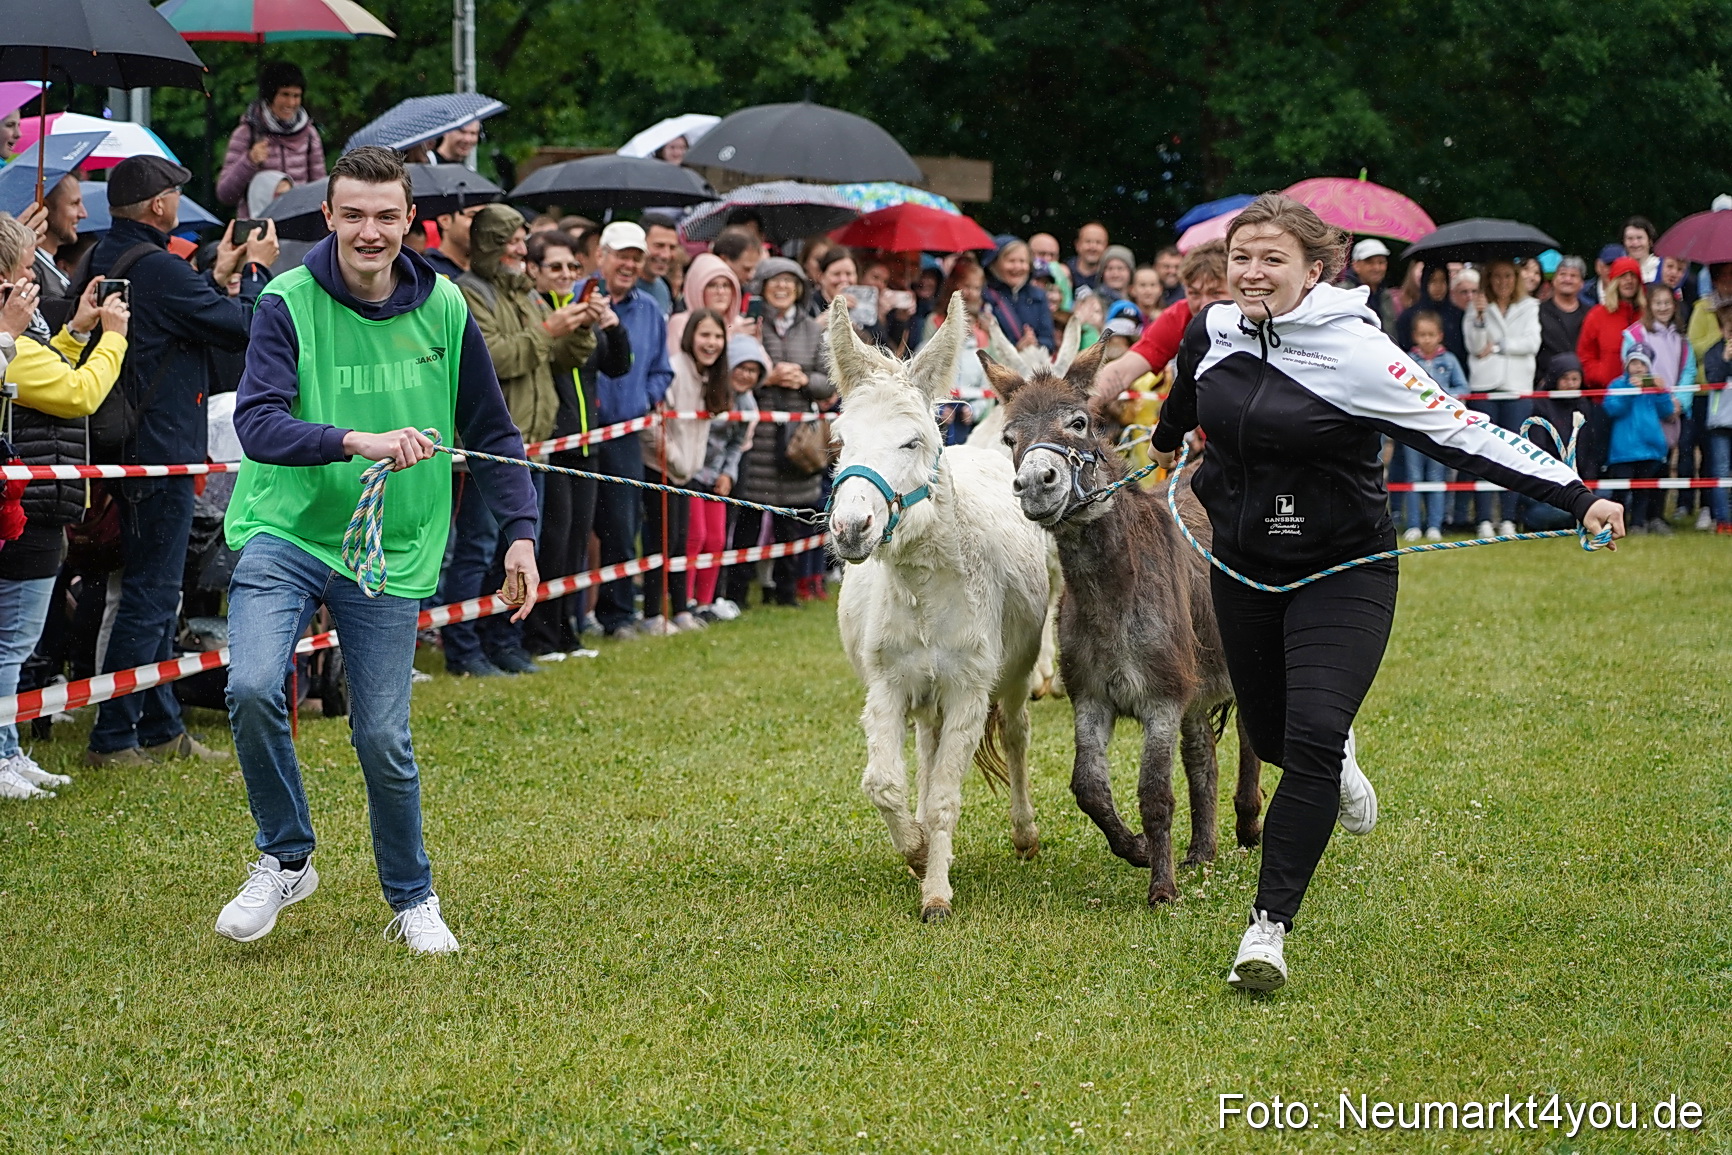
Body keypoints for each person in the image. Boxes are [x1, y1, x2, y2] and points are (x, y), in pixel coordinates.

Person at [1147, 193, 1622, 992]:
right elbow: (1188, 395)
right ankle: (1332, 758)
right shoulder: (1212, 328)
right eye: (1240, 258)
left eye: (1271, 259)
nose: (1251, 273)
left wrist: (1578, 496)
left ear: (1314, 270)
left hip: (1344, 567)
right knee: (1272, 732)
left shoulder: (1358, 352)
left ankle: (1267, 929)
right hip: (1245, 568)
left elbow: (1462, 429)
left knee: (1309, 738)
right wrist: (1165, 439)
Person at [219, 145, 538, 953]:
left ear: (410, 220)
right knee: (252, 685)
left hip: (392, 544)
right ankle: (286, 856)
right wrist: (354, 439)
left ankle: (413, 896)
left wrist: (520, 533)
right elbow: (257, 422)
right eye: (354, 214)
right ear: (329, 216)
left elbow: (493, 431)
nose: (370, 231)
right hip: (287, 527)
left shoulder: (447, 309)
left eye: (386, 216)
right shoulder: (287, 301)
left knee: (381, 737)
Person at [83, 157, 278, 768]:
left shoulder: (106, 256)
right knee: (152, 594)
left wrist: (213, 273)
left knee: (152, 594)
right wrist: (254, 270)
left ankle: (161, 727)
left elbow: (181, 318)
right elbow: (244, 326)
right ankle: (114, 736)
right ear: (159, 205)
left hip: (130, 447)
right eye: (173, 194)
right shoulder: (160, 268)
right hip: (161, 453)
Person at [0, 216, 130, 800]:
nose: (35, 279)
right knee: (11, 643)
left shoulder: (18, 337)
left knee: (14, 642)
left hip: (38, 504)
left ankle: (8, 749)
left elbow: (48, 365)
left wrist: (77, 330)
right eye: (27, 268)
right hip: (29, 505)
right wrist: (115, 338)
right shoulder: (8, 337)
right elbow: (78, 392)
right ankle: (2, 755)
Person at [445, 204, 596, 675]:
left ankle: (504, 640)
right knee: (478, 549)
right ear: (490, 244)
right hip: (488, 449)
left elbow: (559, 359)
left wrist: (580, 327)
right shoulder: (468, 294)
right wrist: (548, 330)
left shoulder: (526, 294)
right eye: (512, 241)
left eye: (521, 241)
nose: (521, 250)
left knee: (515, 551)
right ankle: (463, 648)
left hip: (531, 445)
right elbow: (492, 359)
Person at [521, 230, 631, 657]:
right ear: (534, 270)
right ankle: (540, 636)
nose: (566, 274)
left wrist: (610, 325)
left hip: (589, 444)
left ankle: (568, 631)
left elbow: (617, 366)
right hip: (552, 445)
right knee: (552, 542)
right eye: (555, 267)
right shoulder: (535, 312)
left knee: (576, 542)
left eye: (572, 266)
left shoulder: (583, 310)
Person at [727, 257, 834, 609]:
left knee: (792, 520)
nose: (783, 287)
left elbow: (829, 381)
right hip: (757, 435)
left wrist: (804, 380)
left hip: (798, 437)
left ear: (800, 288)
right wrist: (767, 377)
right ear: (762, 286)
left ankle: (786, 593)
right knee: (749, 517)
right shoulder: (749, 326)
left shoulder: (813, 330)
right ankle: (737, 593)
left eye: (790, 281)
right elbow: (732, 373)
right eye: (775, 280)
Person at [591, 221, 672, 639]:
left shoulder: (650, 310)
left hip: (625, 433)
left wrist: (642, 399)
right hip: (579, 430)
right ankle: (568, 617)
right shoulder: (579, 299)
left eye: (636, 258)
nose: (629, 265)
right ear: (600, 256)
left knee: (621, 528)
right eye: (622, 255)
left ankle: (618, 616)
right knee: (572, 530)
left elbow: (662, 370)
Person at [642, 308, 726, 634]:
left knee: (680, 541)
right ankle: (652, 614)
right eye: (705, 335)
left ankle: (680, 610)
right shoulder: (675, 370)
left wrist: (689, 464)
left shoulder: (711, 376)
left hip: (686, 473)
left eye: (718, 336)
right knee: (660, 542)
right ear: (690, 336)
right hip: (660, 469)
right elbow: (650, 424)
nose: (711, 342)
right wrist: (675, 459)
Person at [1463, 257, 1543, 533]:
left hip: (1517, 387)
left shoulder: (1530, 306)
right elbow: (1475, 347)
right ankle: (1484, 518)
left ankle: (1508, 517)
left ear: (1516, 278)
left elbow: (1532, 343)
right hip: (1484, 386)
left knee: (1514, 452)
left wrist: (1498, 346)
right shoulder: (1476, 305)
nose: (1502, 282)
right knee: (1484, 452)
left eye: (1508, 276)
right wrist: (1480, 318)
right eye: (1496, 276)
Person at [1092, 240, 1229, 400]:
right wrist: (1078, 405)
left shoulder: (1253, 318)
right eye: (1194, 293)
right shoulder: (1179, 316)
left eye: (1215, 293)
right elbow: (1123, 371)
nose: (1204, 305)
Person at [688, 335, 762, 622]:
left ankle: (706, 603)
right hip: (692, 470)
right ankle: (686, 600)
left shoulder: (748, 405)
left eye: (753, 371)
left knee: (716, 538)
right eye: (741, 367)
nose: (746, 375)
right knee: (695, 536)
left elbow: (736, 444)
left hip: (717, 475)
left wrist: (728, 473)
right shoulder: (708, 391)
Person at [1395, 311, 1470, 541]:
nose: (1427, 339)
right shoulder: (1408, 360)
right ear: (1414, 336)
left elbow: (1463, 389)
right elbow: (1398, 388)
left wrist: (1444, 397)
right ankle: (1414, 525)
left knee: (1437, 476)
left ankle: (1435, 525)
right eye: (1422, 335)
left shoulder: (1449, 360)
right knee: (1414, 476)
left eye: (1431, 334)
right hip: (1413, 427)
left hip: (1441, 428)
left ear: (1440, 336)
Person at [216, 62, 326, 207]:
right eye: (285, 94)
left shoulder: (309, 135)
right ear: (270, 95)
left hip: (297, 219)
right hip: (258, 220)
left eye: (296, 96)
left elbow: (319, 193)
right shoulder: (246, 133)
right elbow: (225, 194)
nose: (291, 103)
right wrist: (249, 161)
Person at [1601, 344, 1677, 535]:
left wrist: (1661, 391)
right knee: (1620, 490)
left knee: (1643, 490)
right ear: (1626, 365)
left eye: (1642, 364)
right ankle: (1615, 524)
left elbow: (1667, 411)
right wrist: (1631, 391)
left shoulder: (1653, 387)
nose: (1638, 368)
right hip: (1623, 450)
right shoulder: (1617, 385)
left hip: (1650, 448)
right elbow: (1612, 409)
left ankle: (1638, 524)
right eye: (1634, 363)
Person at [25, 174, 86, 314]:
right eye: (74, 204)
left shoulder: (48, 266)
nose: (83, 214)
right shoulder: (31, 271)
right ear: (44, 207)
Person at [983, 237, 1055, 352]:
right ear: (994, 264)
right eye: (1011, 261)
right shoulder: (984, 296)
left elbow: (1049, 341)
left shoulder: (1038, 296)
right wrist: (1015, 348)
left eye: (1022, 261)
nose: (1017, 267)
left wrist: (1034, 344)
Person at [1393, 262, 1467, 364]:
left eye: (1442, 281)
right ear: (1425, 283)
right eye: (1433, 281)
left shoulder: (1457, 315)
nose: (1438, 286)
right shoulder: (1408, 317)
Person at [1699, 303, 1732, 532]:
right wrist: (1725, 358)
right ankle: (1723, 520)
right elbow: (1713, 378)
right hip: (1720, 422)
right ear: (1722, 330)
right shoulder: (1713, 351)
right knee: (1720, 472)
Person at [1537, 255, 1588, 387]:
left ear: (1582, 283)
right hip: (1546, 384)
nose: (1567, 279)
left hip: (1581, 385)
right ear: (1554, 280)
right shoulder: (1538, 311)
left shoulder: (1591, 313)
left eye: (1573, 275)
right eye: (1562, 274)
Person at [1346, 238, 1399, 335]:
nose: (1377, 268)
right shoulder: (1344, 292)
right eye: (1370, 263)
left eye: (1381, 262)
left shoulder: (1386, 295)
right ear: (1356, 265)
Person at [420, 202, 485, 279]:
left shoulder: (488, 269)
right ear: (445, 220)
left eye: (485, 218)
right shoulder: (427, 269)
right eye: (472, 216)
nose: (482, 225)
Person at [638, 213, 681, 315]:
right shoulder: (622, 285)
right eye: (659, 246)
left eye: (672, 248)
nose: (666, 255)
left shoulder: (665, 287)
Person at [1068, 221, 1108, 291]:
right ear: (1077, 245)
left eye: (1098, 242)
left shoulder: (1110, 275)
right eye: (1088, 241)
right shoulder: (1065, 271)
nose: (1093, 247)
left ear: (1106, 247)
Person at [1623, 216, 1659, 283]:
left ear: (1650, 241)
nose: (1635, 243)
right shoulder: (1619, 271)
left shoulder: (1662, 269)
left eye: (1639, 238)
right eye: (1630, 238)